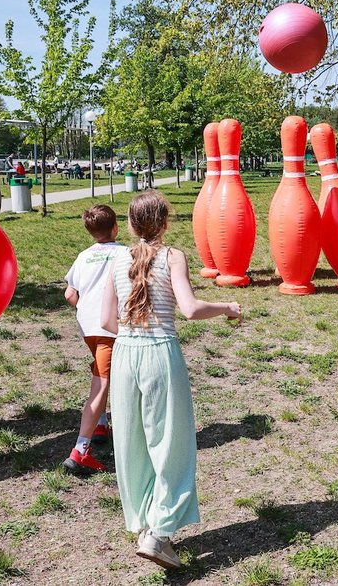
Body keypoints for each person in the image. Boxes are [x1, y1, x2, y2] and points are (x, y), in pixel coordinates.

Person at [100, 191, 241, 569]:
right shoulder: (172, 256)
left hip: (125, 354)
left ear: (130, 225)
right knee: (172, 444)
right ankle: (160, 534)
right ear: (164, 223)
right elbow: (191, 309)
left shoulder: (117, 258)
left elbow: (106, 321)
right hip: (160, 352)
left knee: (132, 443)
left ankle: (146, 522)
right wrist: (228, 307)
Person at [62, 204, 124, 474]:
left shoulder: (83, 256)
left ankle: (100, 423)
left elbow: (69, 294)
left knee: (101, 369)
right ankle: (80, 450)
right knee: (102, 382)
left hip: (87, 326)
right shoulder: (125, 254)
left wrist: (83, 307)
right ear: (116, 227)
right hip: (111, 327)